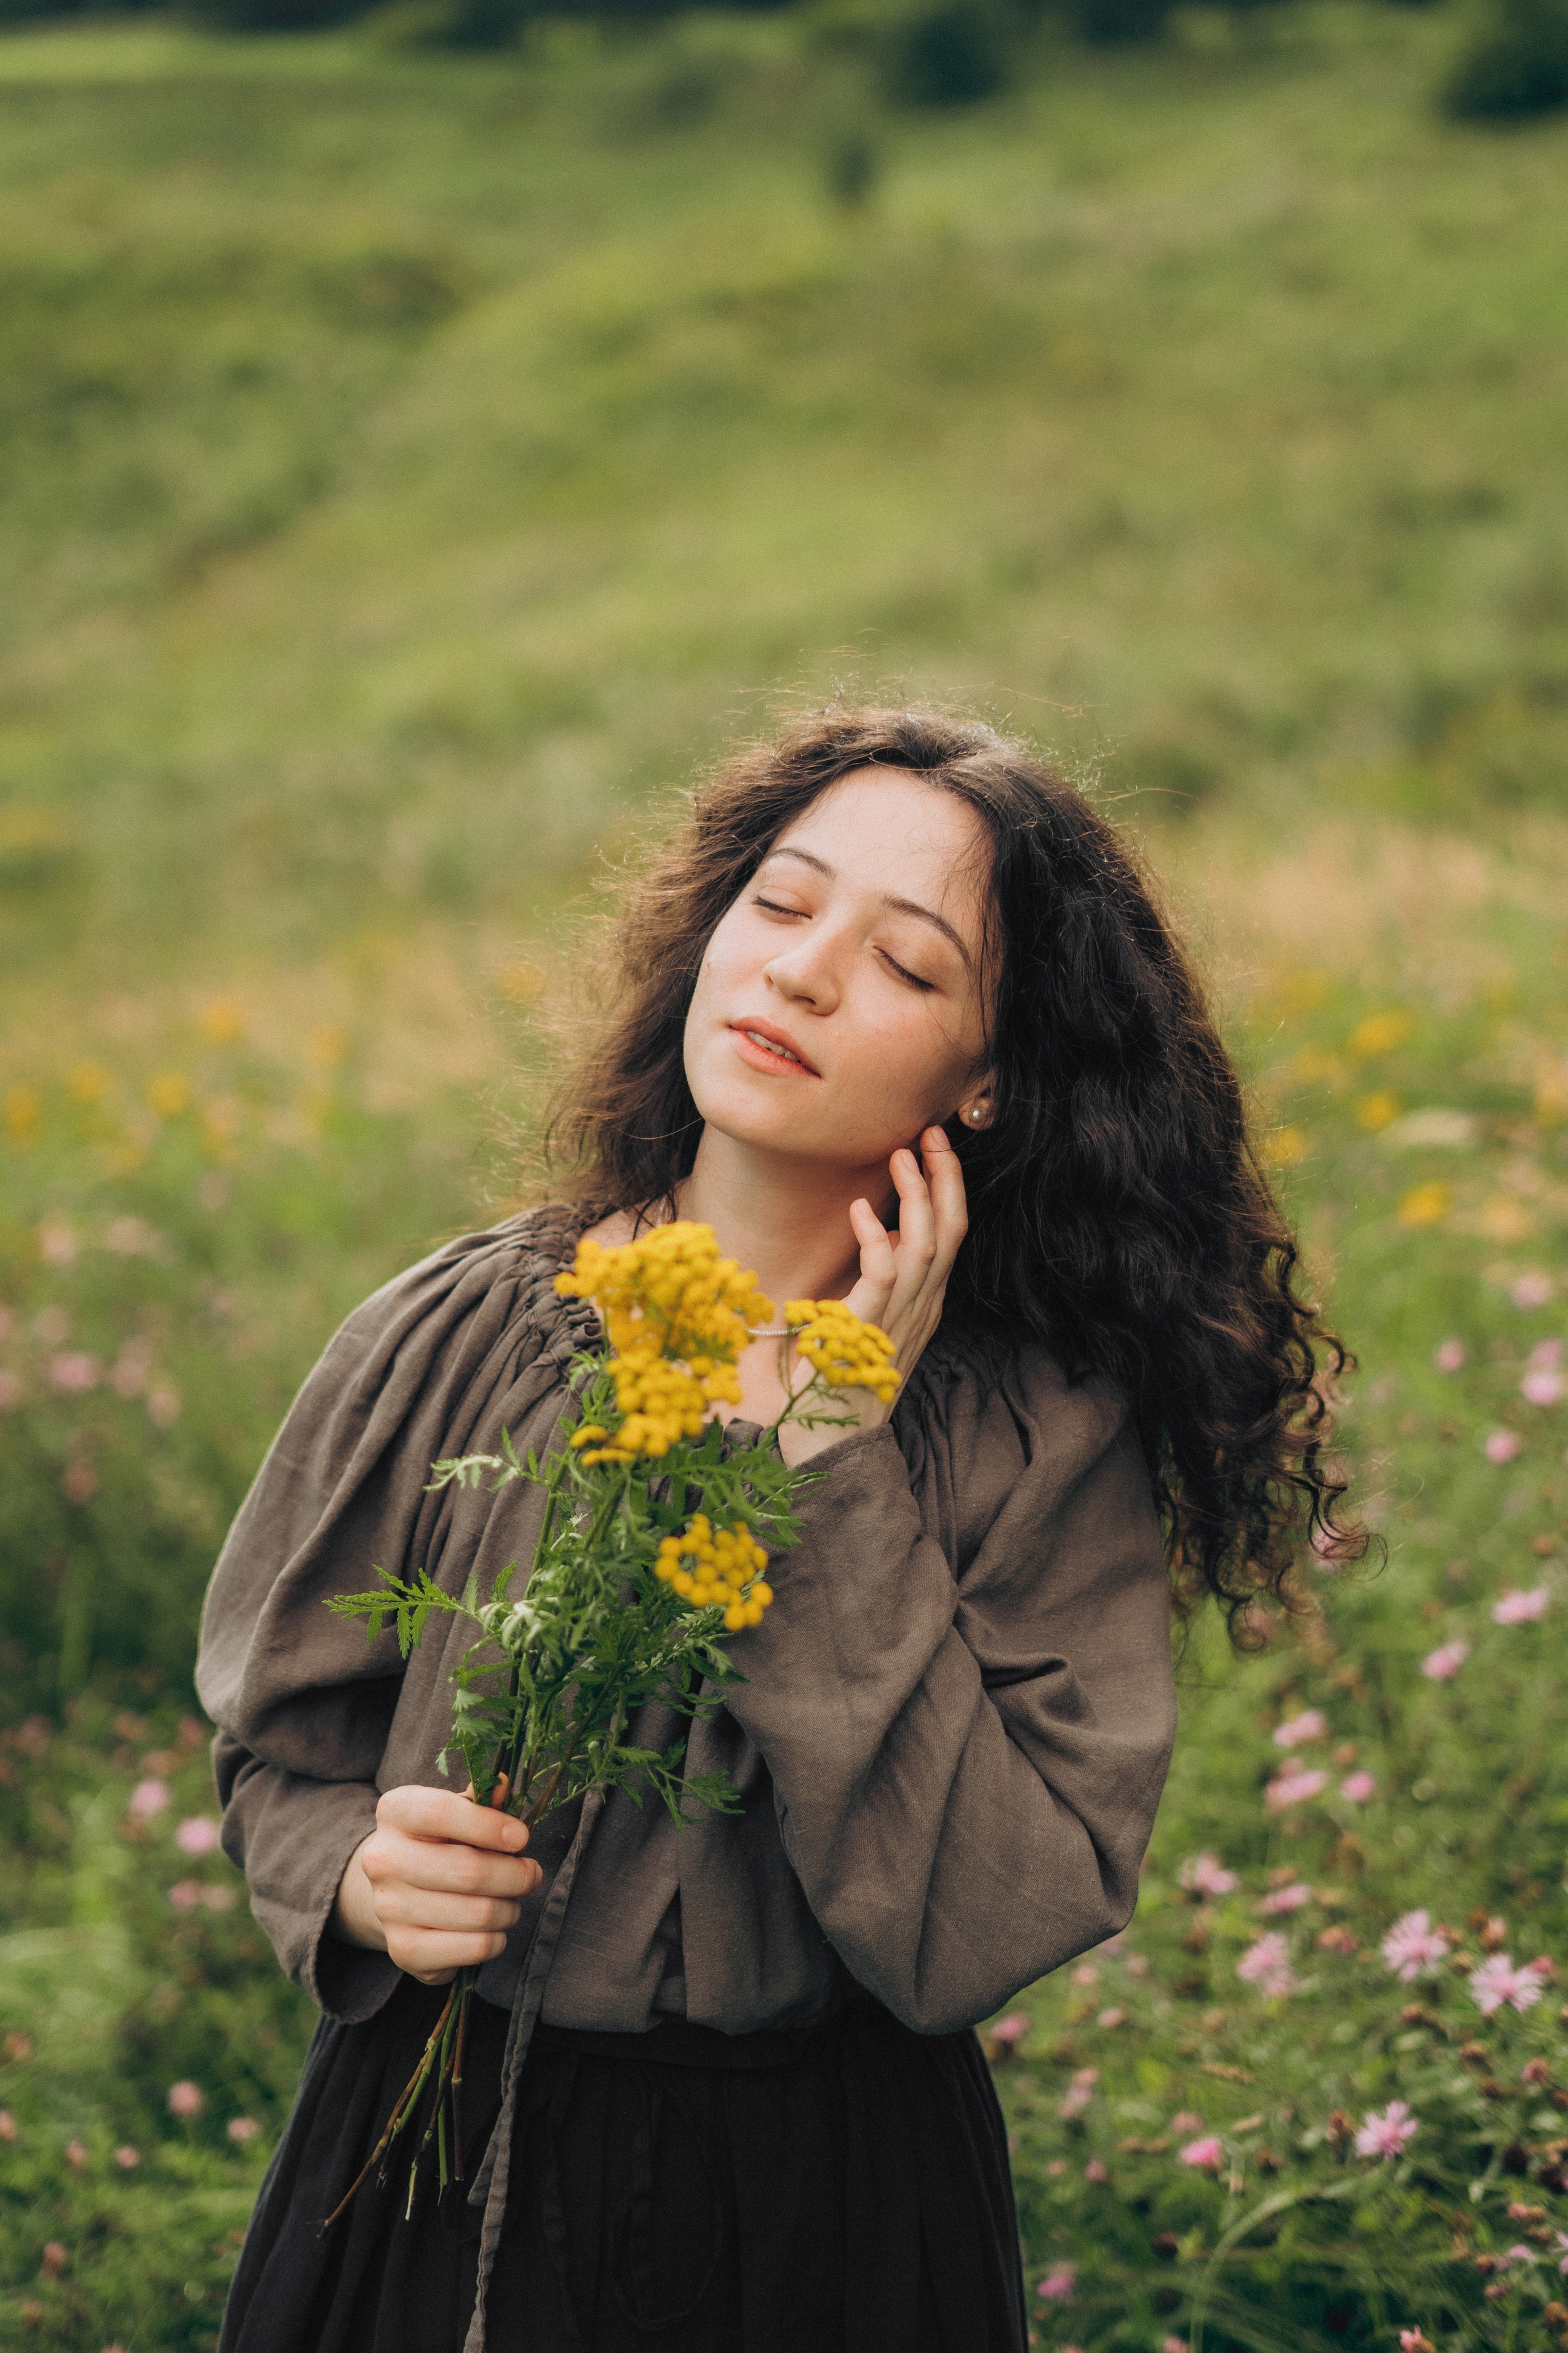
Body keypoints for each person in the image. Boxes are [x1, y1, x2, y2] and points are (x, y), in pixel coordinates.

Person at [197, 705, 1357, 2353]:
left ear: (990, 1078)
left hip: (828, 2219)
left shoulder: (1033, 1436)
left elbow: (984, 1923)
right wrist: (362, 1880)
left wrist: (822, 1462)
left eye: (907, 962)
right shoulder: (454, 1333)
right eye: (784, 901)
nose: (802, 973)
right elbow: (273, 1759)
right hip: (416, 2189)